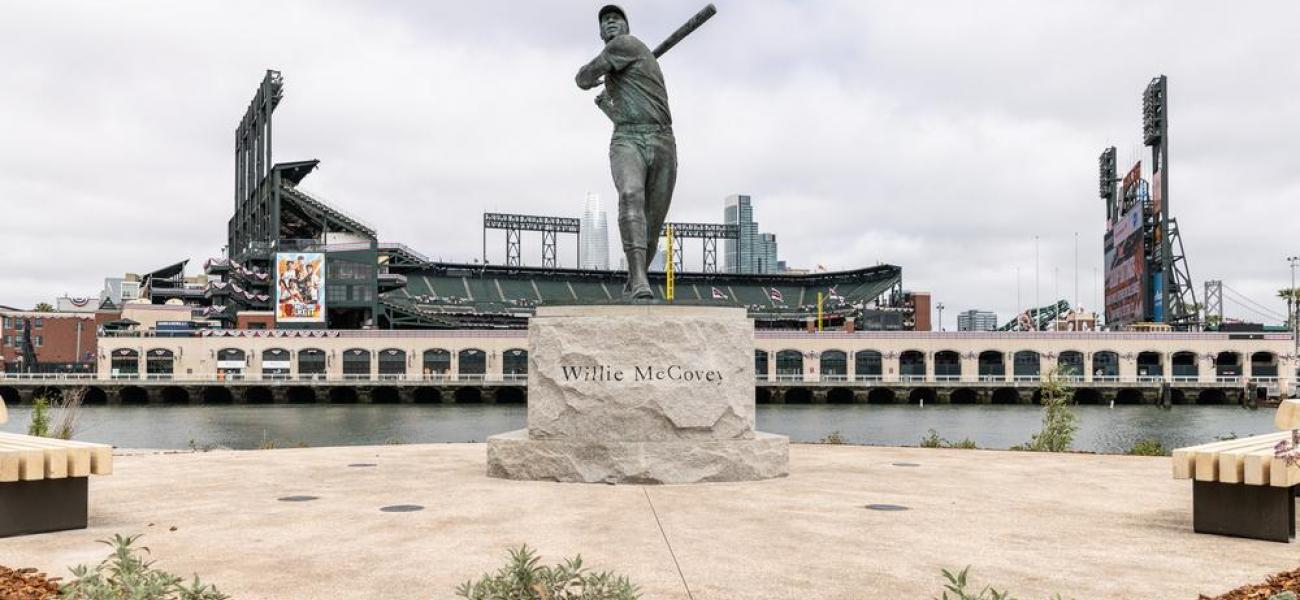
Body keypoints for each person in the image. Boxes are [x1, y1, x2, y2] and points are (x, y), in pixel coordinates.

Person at [576, 4, 676, 299]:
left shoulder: (626, 45)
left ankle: (634, 281)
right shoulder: (620, 66)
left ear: (626, 27)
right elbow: (624, 116)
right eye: (605, 21)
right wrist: (606, 101)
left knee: (652, 228)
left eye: (616, 19)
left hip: (662, 140)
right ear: (599, 31)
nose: (610, 23)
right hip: (628, 138)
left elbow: (582, 78)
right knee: (630, 195)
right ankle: (641, 283)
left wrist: (595, 79)